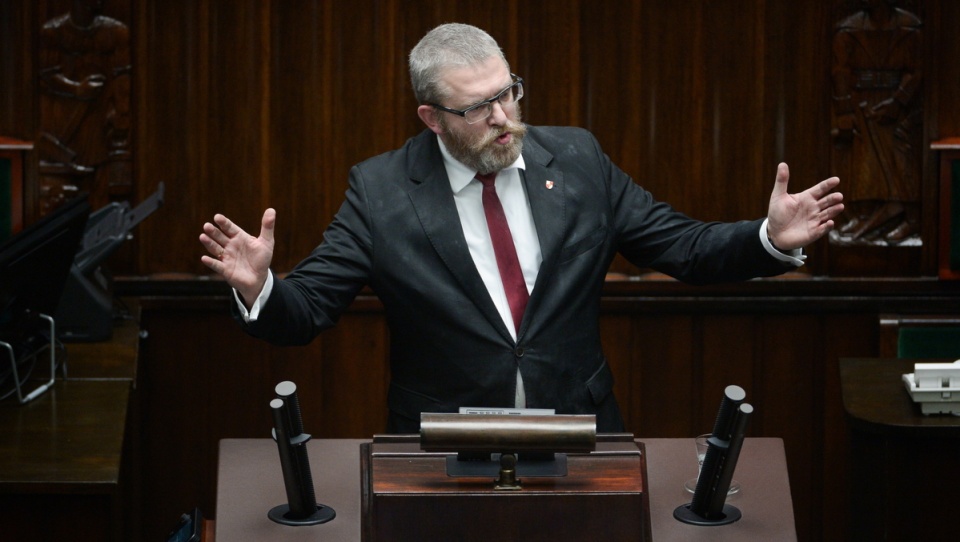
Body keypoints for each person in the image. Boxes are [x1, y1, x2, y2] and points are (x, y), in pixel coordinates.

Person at [199, 23, 843, 433]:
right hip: (438, 444)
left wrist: (769, 238)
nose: (505, 117)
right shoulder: (382, 191)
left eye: (509, 93)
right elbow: (308, 308)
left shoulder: (580, 159)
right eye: (480, 107)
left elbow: (685, 247)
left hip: (582, 432)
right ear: (432, 117)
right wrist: (260, 288)